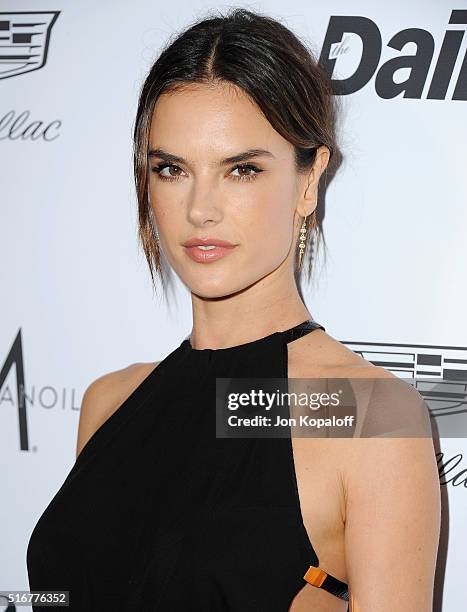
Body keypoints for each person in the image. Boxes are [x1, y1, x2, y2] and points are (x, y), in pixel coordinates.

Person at [27, 7, 440, 611]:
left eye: (241, 170)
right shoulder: (110, 402)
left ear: (309, 180)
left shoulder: (365, 416)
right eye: (171, 169)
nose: (200, 209)